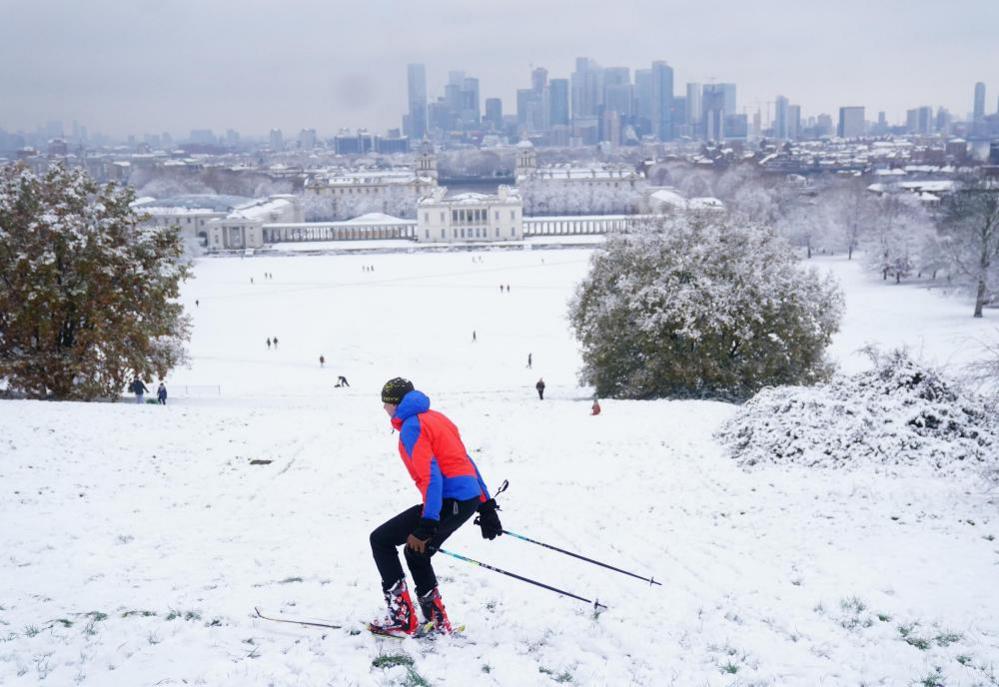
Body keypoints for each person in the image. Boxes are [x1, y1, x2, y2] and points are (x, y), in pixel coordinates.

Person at [368, 378, 502, 636]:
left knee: (381, 540)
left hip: (447, 500)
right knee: (416, 552)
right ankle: (436, 619)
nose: (384, 409)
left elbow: (431, 477)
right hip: (465, 498)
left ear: (395, 403)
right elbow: (467, 462)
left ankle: (402, 618)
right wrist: (485, 506)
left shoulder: (411, 427)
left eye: (386, 403)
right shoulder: (438, 418)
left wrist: (427, 523)